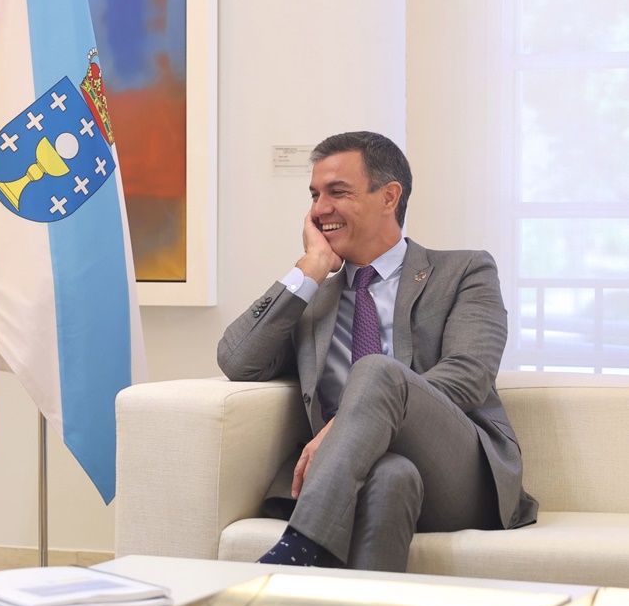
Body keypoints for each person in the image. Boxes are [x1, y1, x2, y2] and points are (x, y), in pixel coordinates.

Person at [218, 131, 537, 571]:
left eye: (337, 192)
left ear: (389, 196)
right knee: (391, 476)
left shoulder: (464, 270)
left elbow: (468, 376)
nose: (319, 209)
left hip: (457, 474)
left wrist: (346, 421)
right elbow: (238, 361)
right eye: (314, 195)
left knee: (376, 371)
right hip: (369, 475)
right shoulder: (312, 302)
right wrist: (309, 270)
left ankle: (300, 547)